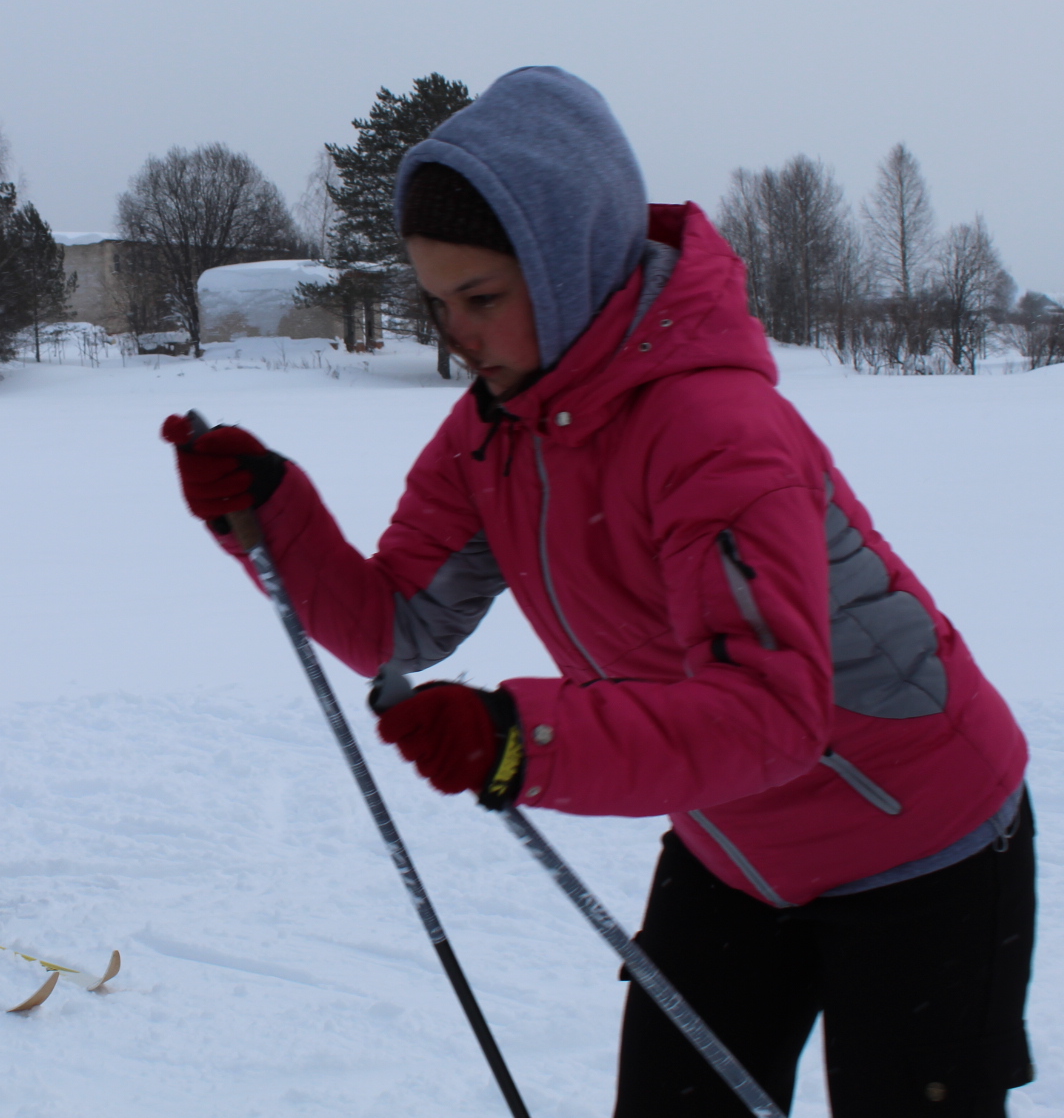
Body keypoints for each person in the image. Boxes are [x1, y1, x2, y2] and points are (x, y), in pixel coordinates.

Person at [163, 68, 1031, 1116]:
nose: (457, 336)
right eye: (438, 304)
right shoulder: (495, 430)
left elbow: (776, 710)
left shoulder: (714, 429)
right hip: (732, 842)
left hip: (919, 846)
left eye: (482, 298)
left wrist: (520, 738)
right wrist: (274, 509)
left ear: (569, 267)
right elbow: (399, 620)